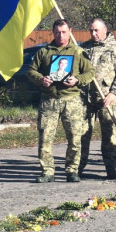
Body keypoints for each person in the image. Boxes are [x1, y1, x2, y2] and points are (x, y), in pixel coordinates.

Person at [26, 19, 94, 183]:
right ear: (53, 32)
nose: (60, 35)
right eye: (57, 32)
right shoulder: (45, 52)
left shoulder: (78, 52)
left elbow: (90, 72)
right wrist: (41, 79)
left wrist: (77, 80)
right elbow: (31, 71)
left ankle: (72, 170)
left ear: (70, 31)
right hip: (49, 100)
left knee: (75, 138)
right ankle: (47, 171)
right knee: (45, 138)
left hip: (72, 100)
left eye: (64, 32)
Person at [79, 18, 116, 179]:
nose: (93, 34)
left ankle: (111, 169)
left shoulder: (115, 48)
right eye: (91, 31)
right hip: (85, 99)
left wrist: (114, 93)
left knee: (109, 135)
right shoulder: (84, 48)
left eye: (96, 30)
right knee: (81, 135)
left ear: (105, 30)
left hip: (106, 98)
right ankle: (77, 168)